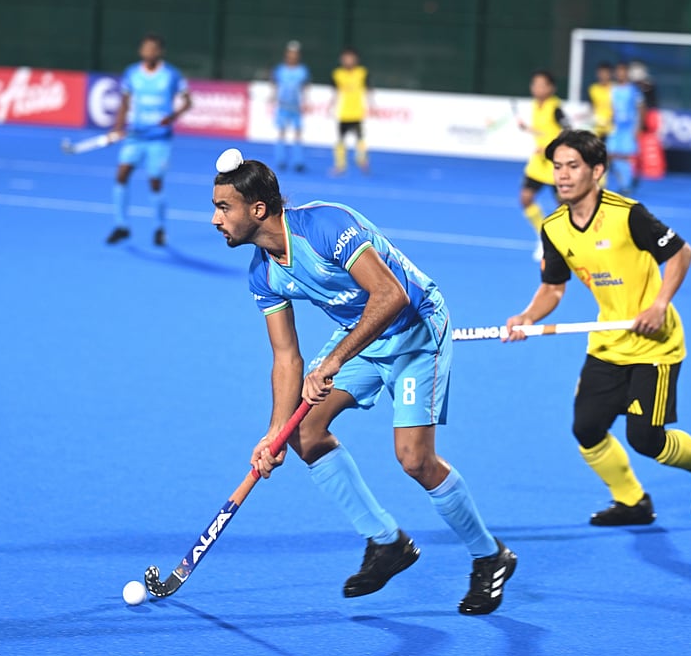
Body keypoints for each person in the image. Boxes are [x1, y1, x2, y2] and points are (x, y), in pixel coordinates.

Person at [210, 149, 516, 615]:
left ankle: (490, 555)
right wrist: (275, 432)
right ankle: (386, 542)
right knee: (304, 434)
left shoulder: (326, 225)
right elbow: (286, 356)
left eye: (223, 207)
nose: (215, 219)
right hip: (360, 337)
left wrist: (332, 360)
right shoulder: (262, 273)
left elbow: (391, 294)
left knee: (415, 460)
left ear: (257, 209)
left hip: (416, 329)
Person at [502, 129, 691, 527]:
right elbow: (553, 288)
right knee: (587, 428)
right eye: (557, 167)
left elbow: (681, 253)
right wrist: (526, 317)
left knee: (646, 439)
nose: (563, 175)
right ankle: (632, 502)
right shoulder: (554, 227)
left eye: (573, 166)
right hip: (608, 341)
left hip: (654, 345)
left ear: (598, 171)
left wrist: (660, 304)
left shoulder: (628, 214)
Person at [105, 33, 191, 247]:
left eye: (153, 48)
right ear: (141, 51)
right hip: (135, 136)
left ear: (160, 51)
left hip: (159, 140)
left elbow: (188, 101)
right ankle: (121, 225)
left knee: (154, 182)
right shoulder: (132, 73)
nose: (149, 52)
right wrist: (117, 127)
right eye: (145, 48)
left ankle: (159, 228)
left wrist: (171, 117)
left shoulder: (171, 75)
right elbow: (125, 102)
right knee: (122, 174)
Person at [516, 70, 567, 261]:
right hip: (538, 163)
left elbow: (566, 131)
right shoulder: (535, 106)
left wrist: (548, 147)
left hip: (555, 162)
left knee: (563, 206)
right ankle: (543, 236)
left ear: (551, 88)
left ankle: (561, 241)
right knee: (526, 198)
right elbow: (544, 131)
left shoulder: (556, 108)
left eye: (541, 85)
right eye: (534, 84)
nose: (536, 88)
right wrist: (527, 128)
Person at [330, 48, 371, 175]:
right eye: (346, 58)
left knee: (360, 139)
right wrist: (330, 105)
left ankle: (362, 161)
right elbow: (335, 92)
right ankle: (340, 165)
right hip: (343, 113)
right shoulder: (337, 74)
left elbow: (368, 90)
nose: (348, 61)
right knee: (340, 140)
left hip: (357, 113)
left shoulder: (362, 73)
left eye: (351, 58)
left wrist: (372, 105)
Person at [271, 40, 310, 172]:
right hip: (283, 106)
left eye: (295, 54)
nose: (292, 56)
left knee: (297, 133)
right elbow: (275, 84)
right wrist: (273, 96)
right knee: (281, 132)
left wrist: (306, 101)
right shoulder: (280, 70)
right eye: (290, 53)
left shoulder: (302, 71)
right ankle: (280, 159)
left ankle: (298, 161)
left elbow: (305, 87)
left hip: (296, 107)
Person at [607, 62, 642, 195]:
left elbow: (641, 107)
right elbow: (611, 107)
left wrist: (638, 127)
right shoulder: (613, 89)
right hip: (615, 127)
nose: (620, 74)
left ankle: (627, 184)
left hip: (628, 128)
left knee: (625, 155)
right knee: (610, 153)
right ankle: (624, 181)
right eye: (618, 71)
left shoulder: (633, 90)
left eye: (623, 71)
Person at [587, 62, 613, 139]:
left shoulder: (615, 88)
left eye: (606, 73)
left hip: (612, 127)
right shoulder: (593, 89)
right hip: (597, 126)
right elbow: (591, 106)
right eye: (601, 73)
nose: (604, 76)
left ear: (610, 74)